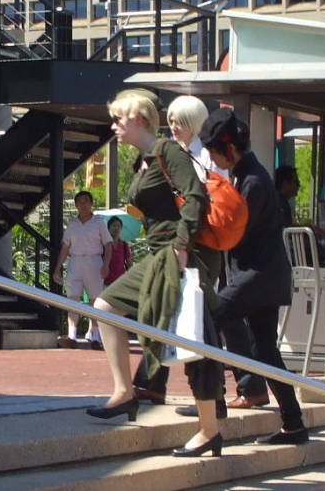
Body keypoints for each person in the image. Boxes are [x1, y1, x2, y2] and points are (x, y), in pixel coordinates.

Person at [87, 92, 224, 458]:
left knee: (195, 341)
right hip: (162, 254)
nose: (114, 126)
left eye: (119, 119)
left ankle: (206, 427)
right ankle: (128, 393)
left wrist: (181, 246)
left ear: (140, 119)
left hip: (176, 255)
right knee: (109, 307)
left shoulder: (168, 152)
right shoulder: (146, 160)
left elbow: (196, 197)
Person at [137, 95, 270, 413]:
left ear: (195, 123)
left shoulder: (203, 157)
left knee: (203, 315)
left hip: (202, 244)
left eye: (179, 121)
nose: (173, 127)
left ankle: (214, 392)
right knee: (186, 311)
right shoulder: (178, 153)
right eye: (170, 120)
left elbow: (208, 201)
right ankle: (157, 383)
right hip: (188, 242)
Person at [201, 108, 308, 445]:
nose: (214, 159)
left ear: (229, 149)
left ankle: (211, 405)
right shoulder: (246, 175)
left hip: (257, 276)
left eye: (215, 152)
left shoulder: (253, 181)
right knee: (266, 352)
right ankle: (294, 424)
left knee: (207, 318)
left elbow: (232, 231)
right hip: (263, 275)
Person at [53, 191, 111, 350]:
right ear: (76, 205)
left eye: (86, 201)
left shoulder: (99, 222)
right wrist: (58, 268)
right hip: (75, 261)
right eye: (79, 202)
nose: (83, 204)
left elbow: (108, 245)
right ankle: (72, 335)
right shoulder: (72, 224)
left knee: (95, 300)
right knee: (73, 298)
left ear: (91, 203)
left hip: (94, 261)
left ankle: (95, 334)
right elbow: (65, 247)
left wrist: (106, 264)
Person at [103, 216, 132, 286]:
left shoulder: (124, 245)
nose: (116, 228)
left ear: (121, 229)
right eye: (114, 226)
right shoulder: (103, 244)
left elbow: (129, 263)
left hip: (120, 282)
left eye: (119, 226)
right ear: (108, 228)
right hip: (104, 282)